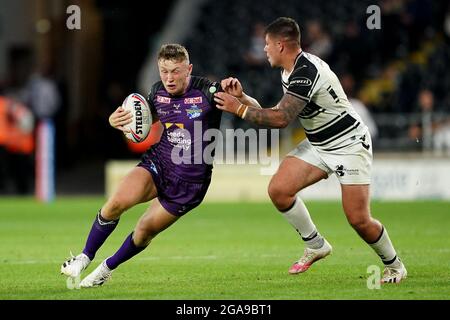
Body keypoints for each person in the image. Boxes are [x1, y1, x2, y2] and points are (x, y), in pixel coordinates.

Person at [214, 17, 407, 284]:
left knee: (358, 219)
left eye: (267, 44)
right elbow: (275, 112)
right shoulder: (289, 70)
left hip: (348, 144)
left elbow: (281, 119)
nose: (264, 50)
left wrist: (239, 109)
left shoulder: (306, 72)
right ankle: (316, 245)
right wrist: (243, 100)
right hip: (319, 143)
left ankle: (394, 265)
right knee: (279, 190)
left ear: (281, 45)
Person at [61, 44, 223, 287]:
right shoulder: (157, 92)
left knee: (144, 230)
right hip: (159, 162)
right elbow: (144, 119)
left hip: (190, 182)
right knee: (115, 203)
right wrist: (115, 120)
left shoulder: (208, 91)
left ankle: (107, 267)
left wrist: (241, 98)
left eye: (176, 71)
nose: (169, 78)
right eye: (164, 71)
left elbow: (247, 105)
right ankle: (83, 257)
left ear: (188, 69)